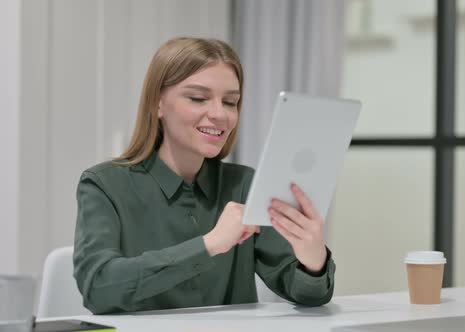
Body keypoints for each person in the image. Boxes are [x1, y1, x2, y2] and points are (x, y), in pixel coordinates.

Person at [73, 37, 335, 314]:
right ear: (157, 104)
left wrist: (312, 258)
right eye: (198, 98)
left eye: (231, 102)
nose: (219, 114)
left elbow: (307, 294)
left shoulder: (244, 185)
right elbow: (98, 288)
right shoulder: (104, 185)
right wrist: (209, 244)